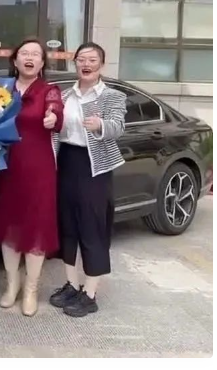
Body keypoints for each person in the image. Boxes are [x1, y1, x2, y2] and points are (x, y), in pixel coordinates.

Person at [0, 39, 64, 317]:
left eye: (35, 54)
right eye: (24, 53)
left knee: (36, 227)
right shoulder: (1, 89)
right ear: (15, 60)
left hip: (38, 170)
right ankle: (12, 285)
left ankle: (31, 289)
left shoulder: (49, 91)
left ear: (42, 63)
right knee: (9, 226)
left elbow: (56, 112)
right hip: (6, 167)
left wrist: (53, 118)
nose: (29, 58)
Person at [49, 42, 127, 318]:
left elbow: (118, 126)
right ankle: (72, 284)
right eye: (81, 59)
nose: (86, 64)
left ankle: (90, 293)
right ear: (75, 63)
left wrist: (100, 125)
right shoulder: (64, 94)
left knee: (92, 227)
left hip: (94, 167)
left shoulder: (112, 96)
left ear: (101, 64)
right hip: (66, 162)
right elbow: (56, 128)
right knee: (67, 225)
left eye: (92, 59)